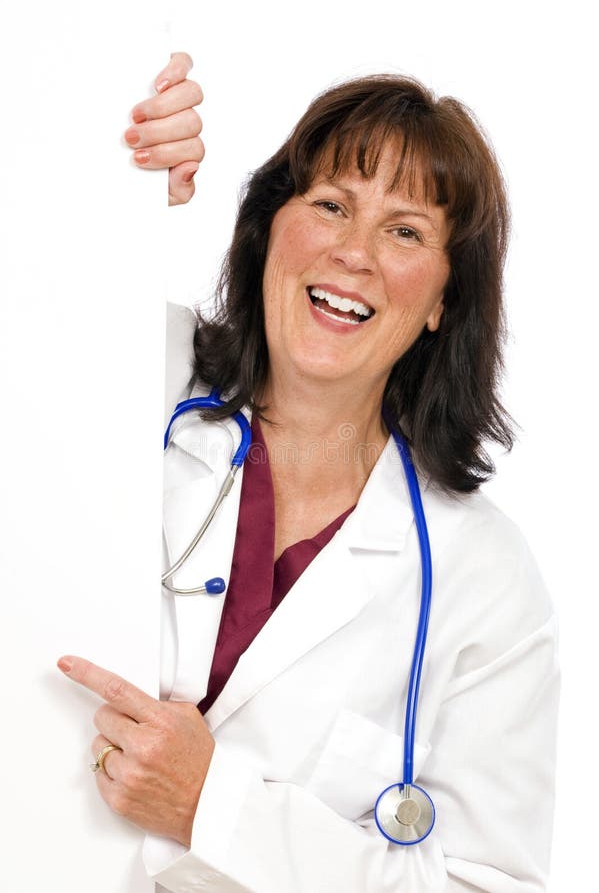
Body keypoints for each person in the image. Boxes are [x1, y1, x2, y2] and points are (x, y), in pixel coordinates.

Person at [58, 53, 559, 891]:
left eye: (404, 231)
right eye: (330, 205)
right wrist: (110, 179)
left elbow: (485, 883)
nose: (353, 253)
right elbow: (29, 278)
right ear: (268, 229)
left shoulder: (484, 579)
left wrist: (215, 806)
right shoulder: (121, 364)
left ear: (442, 299)